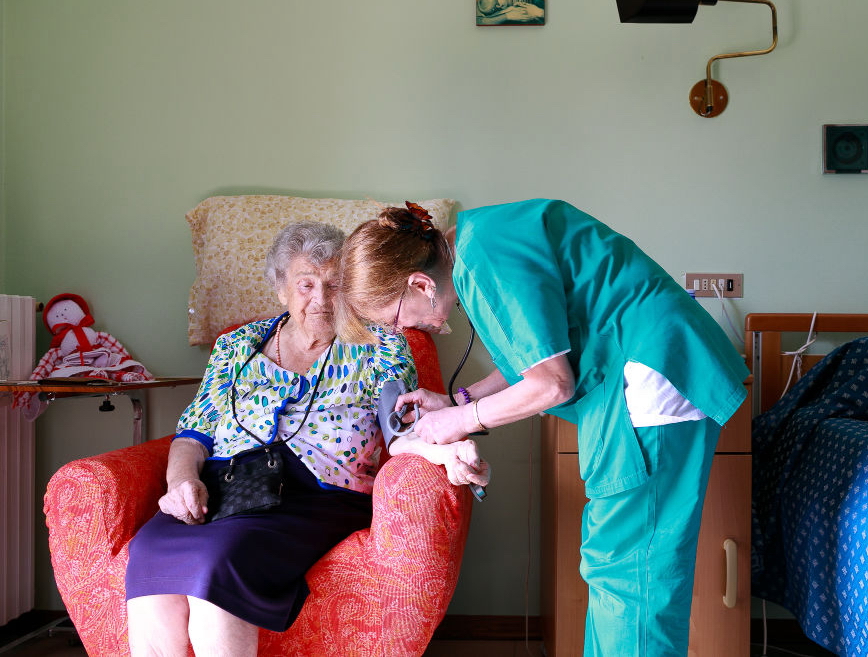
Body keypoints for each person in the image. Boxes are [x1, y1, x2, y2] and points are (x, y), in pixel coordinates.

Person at [336, 199, 749, 656]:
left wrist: (461, 419)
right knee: (612, 565)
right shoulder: (480, 243)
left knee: (634, 574)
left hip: (650, 378)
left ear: (419, 284)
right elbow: (533, 361)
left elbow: (552, 384)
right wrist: (457, 399)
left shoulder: (485, 259)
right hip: (632, 378)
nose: (404, 329)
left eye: (395, 318)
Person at [124, 221, 489, 657]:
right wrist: (181, 482)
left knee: (217, 566)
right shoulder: (236, 347)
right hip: (223, 488)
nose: (320, 298)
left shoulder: (379, 343)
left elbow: (402, 429)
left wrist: (444, 452)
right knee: (149, 553)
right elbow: (193, 433)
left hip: (313, 495)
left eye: (334, 284)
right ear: (281, 290)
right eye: (305, 284)